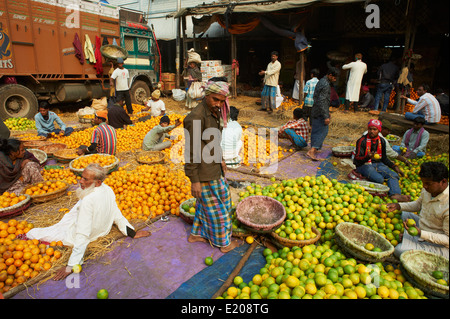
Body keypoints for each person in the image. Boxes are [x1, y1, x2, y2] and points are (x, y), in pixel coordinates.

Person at [26, 164, 151, 281]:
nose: (81, 181)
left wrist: (71, 265)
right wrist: (131, 232)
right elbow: (117, 215)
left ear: (97, 182)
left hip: (87, 234)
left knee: (32, 233)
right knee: (76, 208)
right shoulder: (107, 189)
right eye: (82, 177)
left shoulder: (88, 201)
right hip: (102, 229)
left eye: (86, 179)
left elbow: (82, 234)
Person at [184, 80, 240, 253]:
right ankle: (223, 243)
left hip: (214, 165)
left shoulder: (214, 112)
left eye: (222, 101)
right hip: (205, 171)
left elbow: (213, 141)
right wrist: (194, 180)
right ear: (206, 95)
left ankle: (196, 234)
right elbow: (191, 151)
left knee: (206, 204)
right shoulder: (196, 117)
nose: (219, 104)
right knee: (221, 209)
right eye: (215, 99)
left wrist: (221, 159)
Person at [387, 162, 448, 259]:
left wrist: (420, 233)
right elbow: (418, 204)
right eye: (423, 182)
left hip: (440, 245)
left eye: (428, 184)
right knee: (403, 213)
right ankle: (411, 239)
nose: (424, 186)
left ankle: (411, 239)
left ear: (443, 182)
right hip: (425, 226)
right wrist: (398, 206)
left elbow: (447, 239)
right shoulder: (428, 190)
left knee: (399, 250)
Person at [353, 119, 407, 201]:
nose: (372, 131)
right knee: (379, 179)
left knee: (393, 175)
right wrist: (367, 157)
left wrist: (394, 166)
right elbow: (356, 160)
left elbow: (384, 158)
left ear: (379, 130)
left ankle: (395, 194)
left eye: (374, 129)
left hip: (378, 164)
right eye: (370, 129)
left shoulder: (382, 141)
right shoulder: (362, 141)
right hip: (364, 165)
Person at [306, 69, 337, 161]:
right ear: (330, 75)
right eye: (334, 78)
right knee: (323, 130)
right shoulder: (326, 85)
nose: (335, 80)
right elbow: (322, 101)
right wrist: (325, 115)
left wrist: (326, 111)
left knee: (315, 130)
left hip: (315, 109)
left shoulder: (321, 82)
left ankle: (315, 148)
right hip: (320, 111)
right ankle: (312, 150)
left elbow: (317, 98)